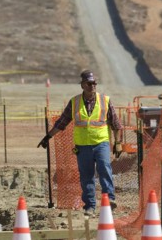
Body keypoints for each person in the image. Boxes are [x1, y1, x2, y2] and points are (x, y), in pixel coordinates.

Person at [37, 70, 123, 217]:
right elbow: (61, 122)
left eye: (94, 83)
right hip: (83, 146)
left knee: (105, 170)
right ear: (82, 85)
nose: (92, 86)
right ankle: (90, 205)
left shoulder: (105, 100)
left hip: (101, 143)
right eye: (89, 83)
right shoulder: (75, 102)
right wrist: (47, 137)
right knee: (86, 176)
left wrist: (118, 143)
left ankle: (109, 200)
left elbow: (116, 124)